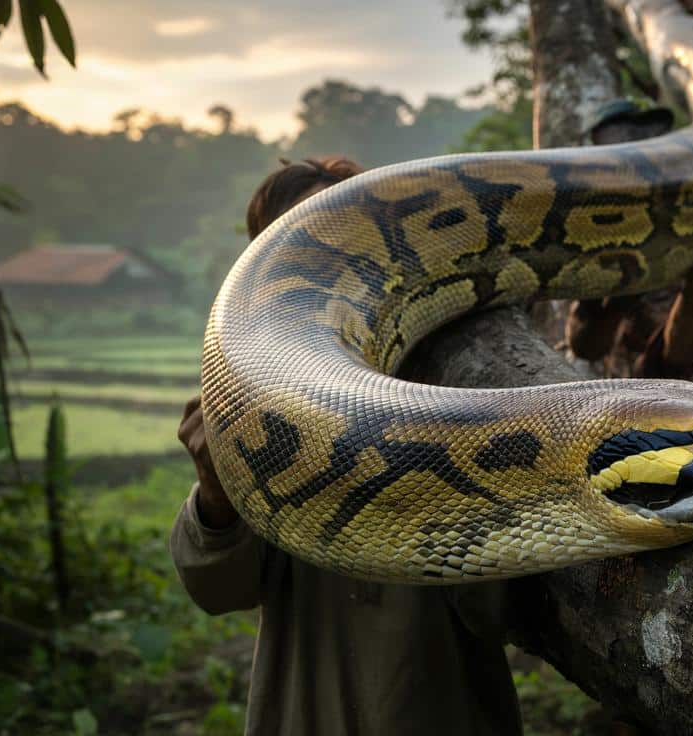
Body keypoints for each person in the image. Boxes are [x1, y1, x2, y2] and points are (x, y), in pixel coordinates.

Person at [172, 156, 523, 735]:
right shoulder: (256, 400)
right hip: (305, 709)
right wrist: (215, 490)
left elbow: (499, 611)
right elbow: (217, 589)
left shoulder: (443, 388)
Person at [563, 98, 693, 380]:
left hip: (690, 380)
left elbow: (678, 360)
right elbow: (586, 345)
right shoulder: (591, 221)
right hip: (614, 383)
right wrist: (628, 287)